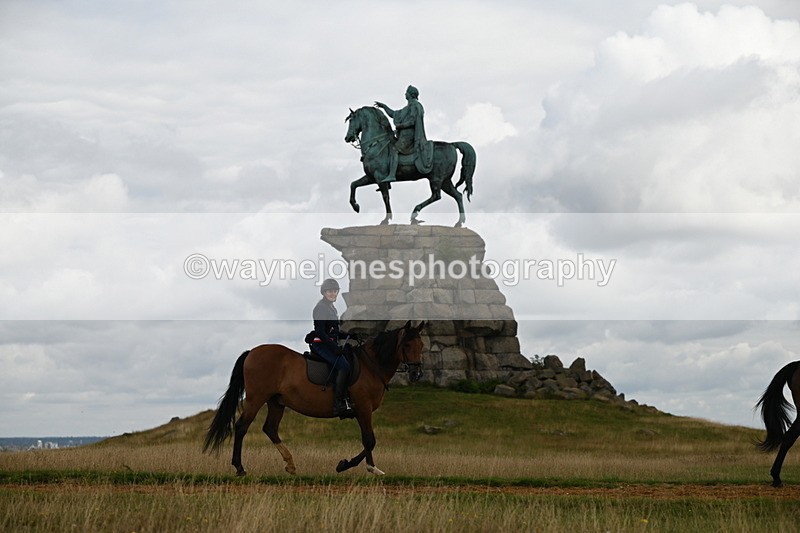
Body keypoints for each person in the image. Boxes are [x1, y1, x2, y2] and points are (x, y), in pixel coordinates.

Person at [310, 278, 354, 418]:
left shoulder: (331, 307)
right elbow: (321, 332)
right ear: (324, 292)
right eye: (329, 291)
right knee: (344, 366)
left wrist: (347, 334)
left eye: (335, 291)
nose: (332, 293)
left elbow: (332, 331)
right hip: (320, 344)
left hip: (328, 343)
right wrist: (334, 348)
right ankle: (338, 404)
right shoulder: (321, 307)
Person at [374, 85, 434, 181]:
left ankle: (392, 175)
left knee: (394, 150)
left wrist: (400, 126)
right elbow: (393, 114)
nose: (405, 94)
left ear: (410, 94)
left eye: (406, 92)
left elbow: (413, 121)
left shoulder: (416, 106)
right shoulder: (407, 107)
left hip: (409, 136)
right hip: (403, 135)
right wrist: (384, 106)